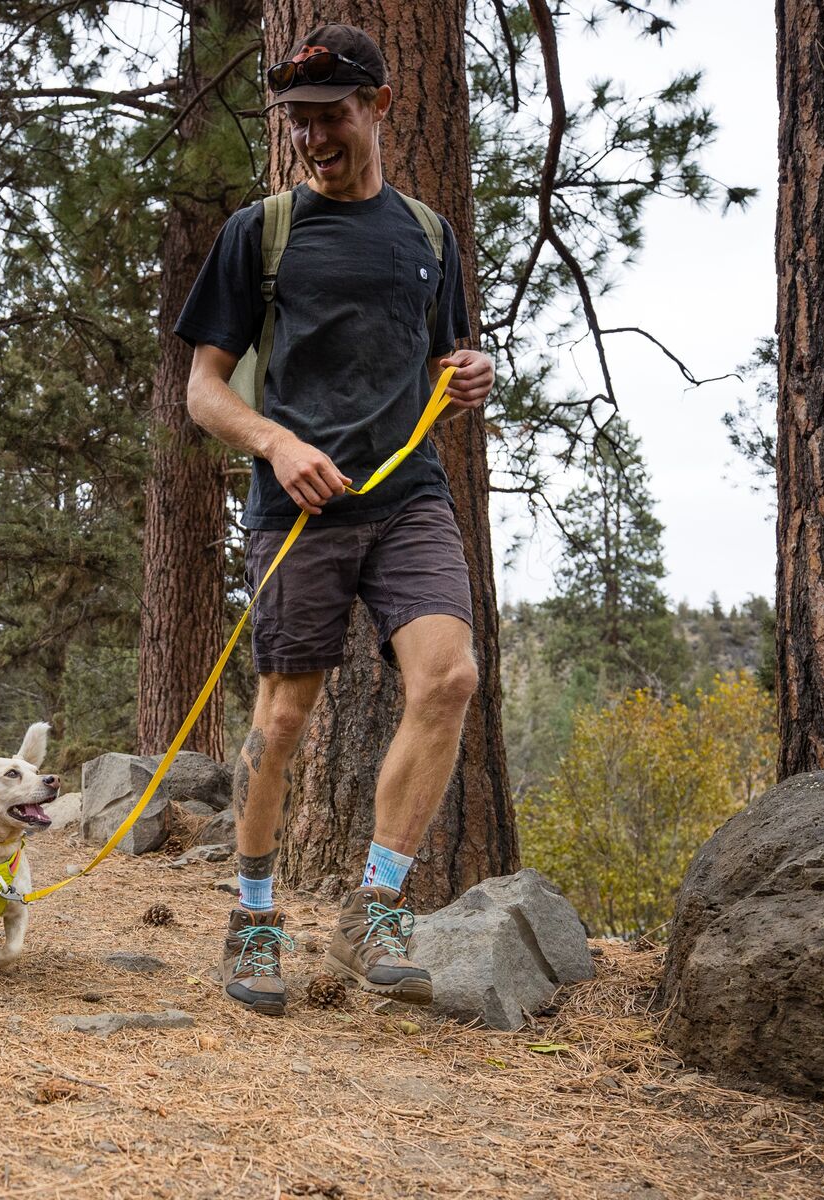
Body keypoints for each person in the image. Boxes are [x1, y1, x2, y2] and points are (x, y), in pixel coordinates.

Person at [174, 23, 496, 1016]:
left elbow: (443, 359)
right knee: (282, 717)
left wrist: (471, 372)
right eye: (298, 122)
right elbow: (202, 390)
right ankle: (256, 918)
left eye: (331, 117)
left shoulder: (430, 237)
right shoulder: (260, 235)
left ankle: (380, 908)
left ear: (380, 107)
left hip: (408, 501)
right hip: (299, 510)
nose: (312, 137)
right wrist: (274, 443)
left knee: (449, 680)